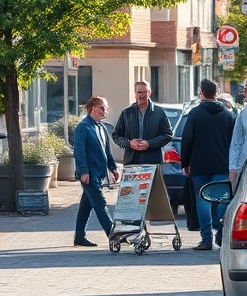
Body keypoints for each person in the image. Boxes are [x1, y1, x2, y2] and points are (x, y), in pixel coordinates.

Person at [180, 79, 236, 251]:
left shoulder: (195, 114)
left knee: (202, 200)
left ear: (201, 93)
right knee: (220, 200)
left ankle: (206, 239)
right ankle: (220, 232)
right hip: (221, 164)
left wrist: (186, 163)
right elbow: (233, 141)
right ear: (216, 93)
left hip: (200, 165)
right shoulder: (227, 115)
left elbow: (187, 140)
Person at [72, 96, 119, 247]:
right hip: (89, 173)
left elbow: (107, 151)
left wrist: (113, 167)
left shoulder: (101, 127)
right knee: (100, 204)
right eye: (102, 108)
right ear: (93, 109)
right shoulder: (83, 127)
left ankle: (79, 237)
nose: (105, 111)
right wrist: (83, 171)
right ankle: (113, 235)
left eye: (106, 108)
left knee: (86, 205)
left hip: (99, 173)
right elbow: (79, 151)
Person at [111, 81, 173, 166]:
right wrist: (129, 143)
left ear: (149, 93)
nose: (141, 95)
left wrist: (149, 143)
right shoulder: (126, 113)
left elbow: (168, 135)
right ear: (135, 93)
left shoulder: (159, 112)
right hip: (131, 162)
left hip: (152, 163)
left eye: (144, 92)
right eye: (138, 92)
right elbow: (116, 136)